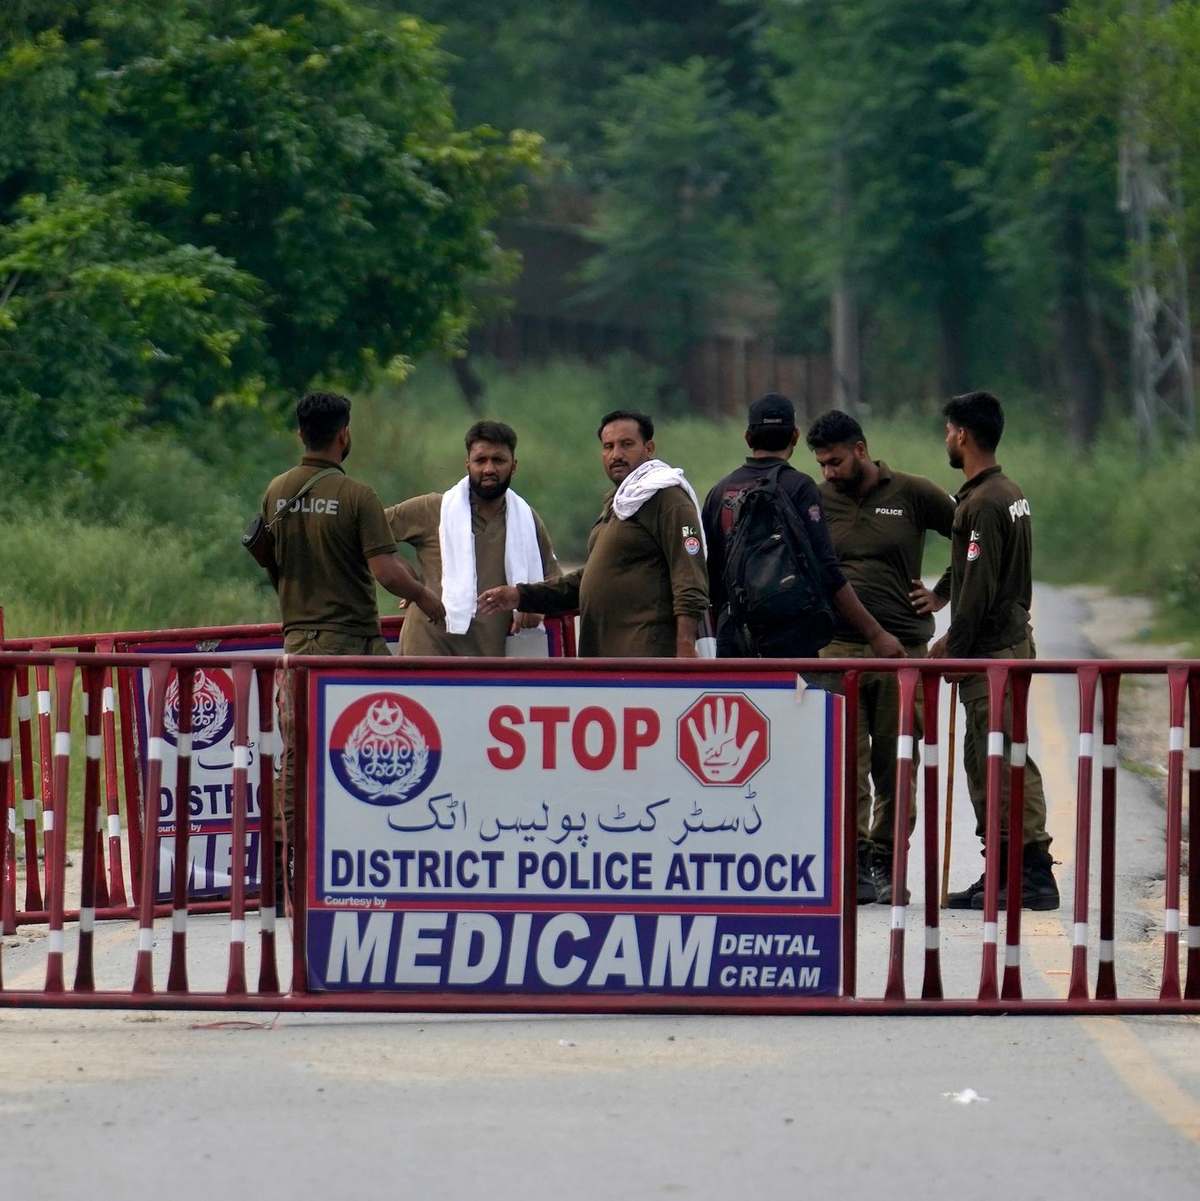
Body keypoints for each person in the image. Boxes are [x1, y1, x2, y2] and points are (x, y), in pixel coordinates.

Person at [262, 391, 445, 855]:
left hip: (299, 642)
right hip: (353, 646)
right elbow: (385, 570)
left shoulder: (276, 491)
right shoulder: (357, 495)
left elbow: (272, 563)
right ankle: (357, 848)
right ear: (344, 434)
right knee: (373, 749)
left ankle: (288, 861)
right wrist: (427, 598)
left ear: (301, 434)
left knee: (299, 753)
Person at [806, 409, 956, 904]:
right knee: (845, 763)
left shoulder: (912, 492)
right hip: (836, 650)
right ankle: (855, 860)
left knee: (896, 763)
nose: (828, 472)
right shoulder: (817, 501)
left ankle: (886, 858)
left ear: (861, 450)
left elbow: (974, 534)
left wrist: (944, 592)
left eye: (835, 461)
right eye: (822, 464)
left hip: (901, 651)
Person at [918, 390, 1059, 910]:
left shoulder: (981, 502)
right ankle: (1000, 871)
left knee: (1006, 762)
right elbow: (972, 567)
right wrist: (940, 593)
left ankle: (1033, 874)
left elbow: (977, 592)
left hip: (993, 654)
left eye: (948, 430)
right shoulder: (1004, 491)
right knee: (984, 760)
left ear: (962, 434)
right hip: (1007, 645)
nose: (946, 439)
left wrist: (955, 650)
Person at [476, 410, 708, 656]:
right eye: (608, 446)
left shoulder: (667, 497)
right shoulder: (620, 502)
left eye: (626, 444)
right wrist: (520, 595)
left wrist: (684, 647)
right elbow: (588, 581)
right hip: (605, 659)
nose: (616, 454)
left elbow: (690, 578)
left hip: (647, 658)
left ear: (648, 449)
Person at [701, 392, 905, 662]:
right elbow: (826, 570)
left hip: (734, 639)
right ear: (795, 436)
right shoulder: (799, 487)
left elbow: (710, 577)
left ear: (748, 438)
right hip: (789, 639)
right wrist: (875, 634)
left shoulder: (719, 492)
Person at [385, 420, 562, 656]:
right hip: (426, 649)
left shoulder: (527, 520)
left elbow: (556, 585)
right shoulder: (433, 509)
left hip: (487, 658)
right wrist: (407, 583)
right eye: (480, 460)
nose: (489, 469)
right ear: (468, 464)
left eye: (498, 460)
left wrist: (536, 604)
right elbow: (364, 532)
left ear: (514, 466)